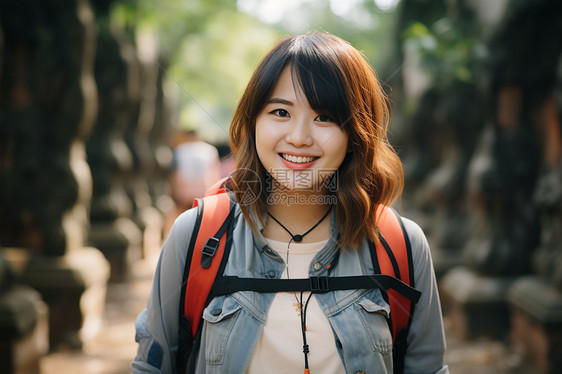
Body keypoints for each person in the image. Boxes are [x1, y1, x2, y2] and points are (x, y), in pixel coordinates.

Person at [132, 32, 449, 374]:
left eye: (324, 117)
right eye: (281, 112)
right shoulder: (195, 236)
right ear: (253, 121)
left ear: (355, 133)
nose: (299, 137)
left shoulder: (401, 245)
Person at [168, 126, 221, 213]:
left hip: (184, 192)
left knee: (183, 217)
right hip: (204, 191)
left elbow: (174, 173)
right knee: (201, 218)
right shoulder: (210, 150)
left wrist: (174, 190)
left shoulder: (180, 150)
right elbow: (215, 174)